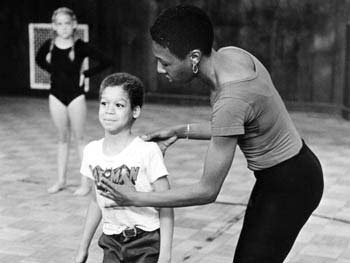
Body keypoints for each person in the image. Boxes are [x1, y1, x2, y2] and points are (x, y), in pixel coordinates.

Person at [98, 5, 324, 263]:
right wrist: (181, 131)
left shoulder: (232, 97)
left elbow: (207, 190)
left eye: (165, 62)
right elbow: (236, 124)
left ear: (194, 57)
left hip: (291, 184)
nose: (160, 69)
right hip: (288, 172)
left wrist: (136, 198)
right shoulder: (232, 55)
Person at [74, 72, 174, 263]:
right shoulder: (91, 151)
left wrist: (165, 256)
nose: (109, 110)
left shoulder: (147, 151)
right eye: (104, 103)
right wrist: (82, 249)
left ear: (135, 111)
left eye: (119, 105)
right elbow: (96, 202)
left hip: (146, 241)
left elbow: (166, 204)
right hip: (111, 241)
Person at [36, 7, 114, 195]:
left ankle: (85, 183)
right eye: (59, 24)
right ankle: (61, 180)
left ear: (74, 25)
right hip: (56, 95)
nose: (63, 28)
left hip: (75, 96)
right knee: (62, 138)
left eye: (67, 24)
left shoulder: (80, 46)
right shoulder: (50, 45)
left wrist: (85, 74)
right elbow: (39, 60)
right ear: (54, 26)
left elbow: (106, 60)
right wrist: (53, 72)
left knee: (80, 139)